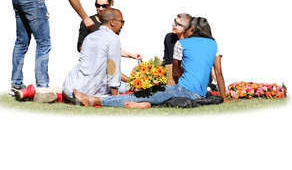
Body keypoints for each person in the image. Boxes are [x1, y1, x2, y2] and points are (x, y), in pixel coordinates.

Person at [72, 14, 229, 108]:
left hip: (183, 90)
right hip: (200, 95)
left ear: (192, 30)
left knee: (141, 94)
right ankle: (146, 104)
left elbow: (175, 72)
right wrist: (223, 98)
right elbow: (219, 74)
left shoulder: (182, 43)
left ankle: (93, 100)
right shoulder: (214, 44)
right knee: (155, 96)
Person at [63, 8, 125, 102]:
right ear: (112, 22)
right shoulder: (113, 38)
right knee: (125, 88)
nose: (122, 25)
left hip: (68, 88)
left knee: (124, 84)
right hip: (86, 93)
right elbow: (113, 70)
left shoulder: (90, 37)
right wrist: (116, 99)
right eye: (122, 21)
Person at [163, 15, 222, 89]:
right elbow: (169, 63)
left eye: (177, 24)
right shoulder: (170, 38)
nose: (173, 25)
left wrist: (216, 82)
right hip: (175, 79)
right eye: (175, 22)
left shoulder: (196, 42)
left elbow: (210, 63)